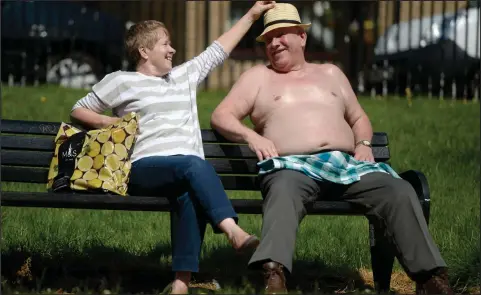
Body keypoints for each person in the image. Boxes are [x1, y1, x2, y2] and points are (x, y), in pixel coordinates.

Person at [210, 3, 454, 295]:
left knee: (399, 191)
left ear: (301, 36)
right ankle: (274, 275)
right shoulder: (258, 78)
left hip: (347, 165)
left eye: (281, 34)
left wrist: (363, 143)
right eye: (268, 39)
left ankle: (431, 279)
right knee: (283, 191)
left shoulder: (331, 73)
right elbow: (221, 115)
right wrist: (252, 137)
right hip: (292, 167)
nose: (274, 43)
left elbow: (359, 117)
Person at [70, 2, 275, 294]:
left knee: (189, 191)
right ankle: (232, 231)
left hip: (184, 172)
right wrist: (111, 121)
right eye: (166, 44)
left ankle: (181, 284)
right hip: (143, 169)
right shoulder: (121, 81)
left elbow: (219, 49)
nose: (172, 50)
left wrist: (252, 15)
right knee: (193, 165)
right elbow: (78, 110)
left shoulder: (183, 77)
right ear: (144, 51)